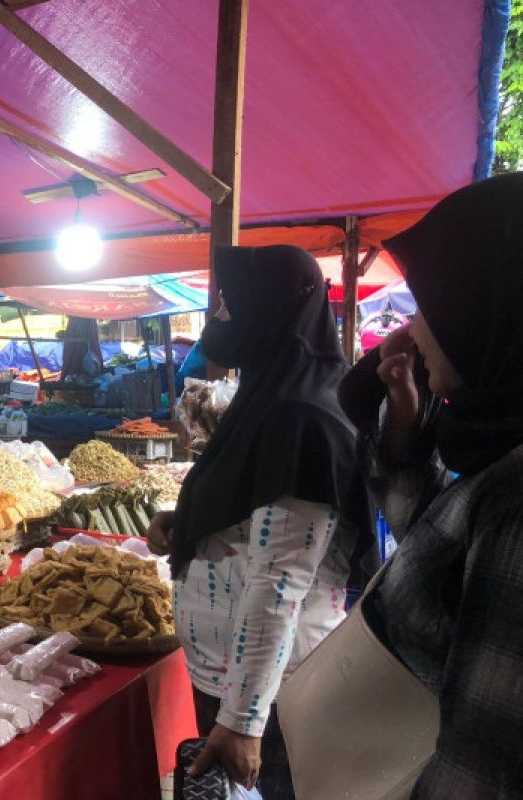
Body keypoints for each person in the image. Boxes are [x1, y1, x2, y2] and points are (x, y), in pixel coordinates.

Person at [147, 245, 370, 798]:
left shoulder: (302, 417)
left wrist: (244, 722)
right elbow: (264, 511)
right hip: (234, 679)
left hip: (268, 695)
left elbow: (280, 583)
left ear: (271, 310)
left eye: (231, 306)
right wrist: (193, 518)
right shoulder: (274, 394)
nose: (219, 321)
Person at [335, 173, 523, 796]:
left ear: (484, 307)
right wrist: (406, 423)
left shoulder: (518, 504)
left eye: (429, 304)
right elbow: (438, 553)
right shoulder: (496, 451)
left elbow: (481, 764)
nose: (412, 332)